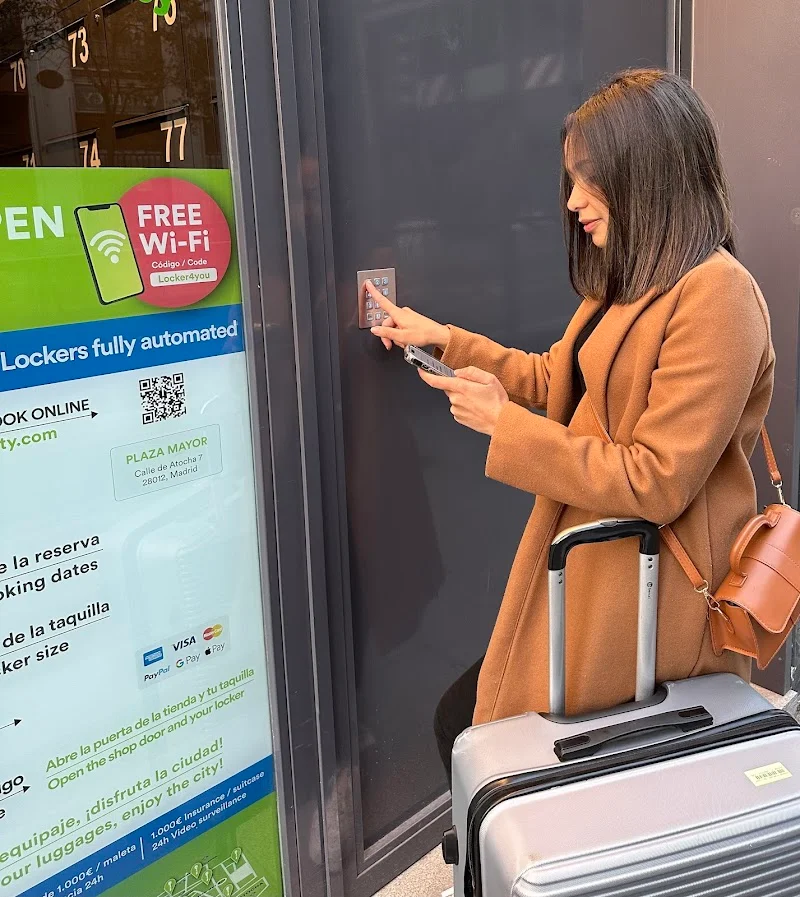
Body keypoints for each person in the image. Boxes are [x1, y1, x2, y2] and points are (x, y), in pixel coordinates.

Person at [364, 69, 776, 787]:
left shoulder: (718, 294)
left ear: (648, 172)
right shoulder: (633, 279)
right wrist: (444, 338)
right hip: (596, 573)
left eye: (591, 180)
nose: (574, 201)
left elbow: (657, 479)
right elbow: (559, 377)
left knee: (493, 747)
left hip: (649, 600)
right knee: (481, 737)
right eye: (571, 180)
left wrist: (508, 430)